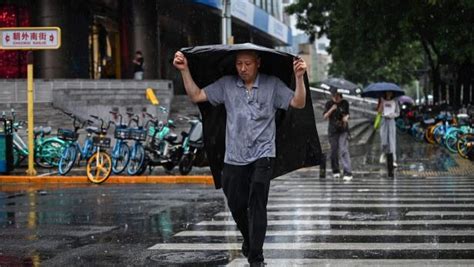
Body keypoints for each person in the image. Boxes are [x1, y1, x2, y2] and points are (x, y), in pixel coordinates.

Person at [173, 49, 307, 266]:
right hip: (234, 156)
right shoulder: (227, 84)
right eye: (239, 64)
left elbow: (298, 103)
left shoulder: (272, 85)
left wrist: (299, 78)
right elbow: (197, 96)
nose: (243, 69)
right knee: (236, 205)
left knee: (257, 202)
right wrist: (184, 70)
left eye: (248, 64)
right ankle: (249, 239)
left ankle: (256, 258)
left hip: (263, 154)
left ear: (258, 63)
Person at [323, 90, 353, 181]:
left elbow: (347, 114)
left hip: (343, 130)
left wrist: (346, 118)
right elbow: (325, 116)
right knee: (334, 151)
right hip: (332, 130)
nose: (335, 97)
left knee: (343, 150)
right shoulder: (329, 103)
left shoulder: (345, 103)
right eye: (334, 95)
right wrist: (332, 109)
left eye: (337, 96)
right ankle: (335, 170)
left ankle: (348, 172)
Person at [377, 91, 400, 167]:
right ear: (385, 93)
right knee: (384, 140)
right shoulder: (382, 100)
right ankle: (384, 153)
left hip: (391, 121)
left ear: (392, 93)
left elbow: (398, 113)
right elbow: (379, 112)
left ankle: (393, 160)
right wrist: (381, 102)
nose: (389, 93)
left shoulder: (395, 101)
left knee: (392, 141)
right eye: (387, 92)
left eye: (390, 92)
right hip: (383, 121)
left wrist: (392, 115)